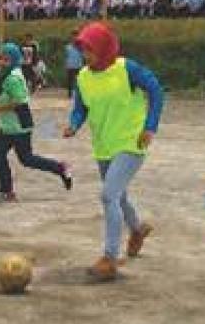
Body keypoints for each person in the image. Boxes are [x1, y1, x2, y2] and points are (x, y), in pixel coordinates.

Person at [63, 22, 164, 281]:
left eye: (90, 49)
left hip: (132, 142)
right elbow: (80, 107)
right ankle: (137, 230)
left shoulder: (126, 69)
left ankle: (109, 257)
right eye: (83, 49)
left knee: (108, 195)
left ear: (104, 47)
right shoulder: (83, 77)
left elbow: (155, 89)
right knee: (118, 197)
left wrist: (150, 126)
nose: (86, 55)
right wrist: (74, 124)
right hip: (103, 145)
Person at [0, 42, 74, 202]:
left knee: (26, 159)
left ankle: (60, 168)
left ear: (13, 60)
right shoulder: (7, 74)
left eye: (5, 59)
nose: (1, 62)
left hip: (18, 124)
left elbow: (20, 101)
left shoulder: (14, 77)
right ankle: (6, 190)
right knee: (0, 155)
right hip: (8, 125)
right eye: (0, 59)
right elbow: (5, 90)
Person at [64, 30, 84, 98]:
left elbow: (84, 55)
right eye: (73, 36)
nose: (74, 37)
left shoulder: (81, 46)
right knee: (70, 80)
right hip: (70, 66)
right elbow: (66, 56)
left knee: (80, 80)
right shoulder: (68, 47)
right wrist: (66, 64)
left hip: (78, 65)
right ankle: (70, 93)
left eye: (76, 36)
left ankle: (80, 93)